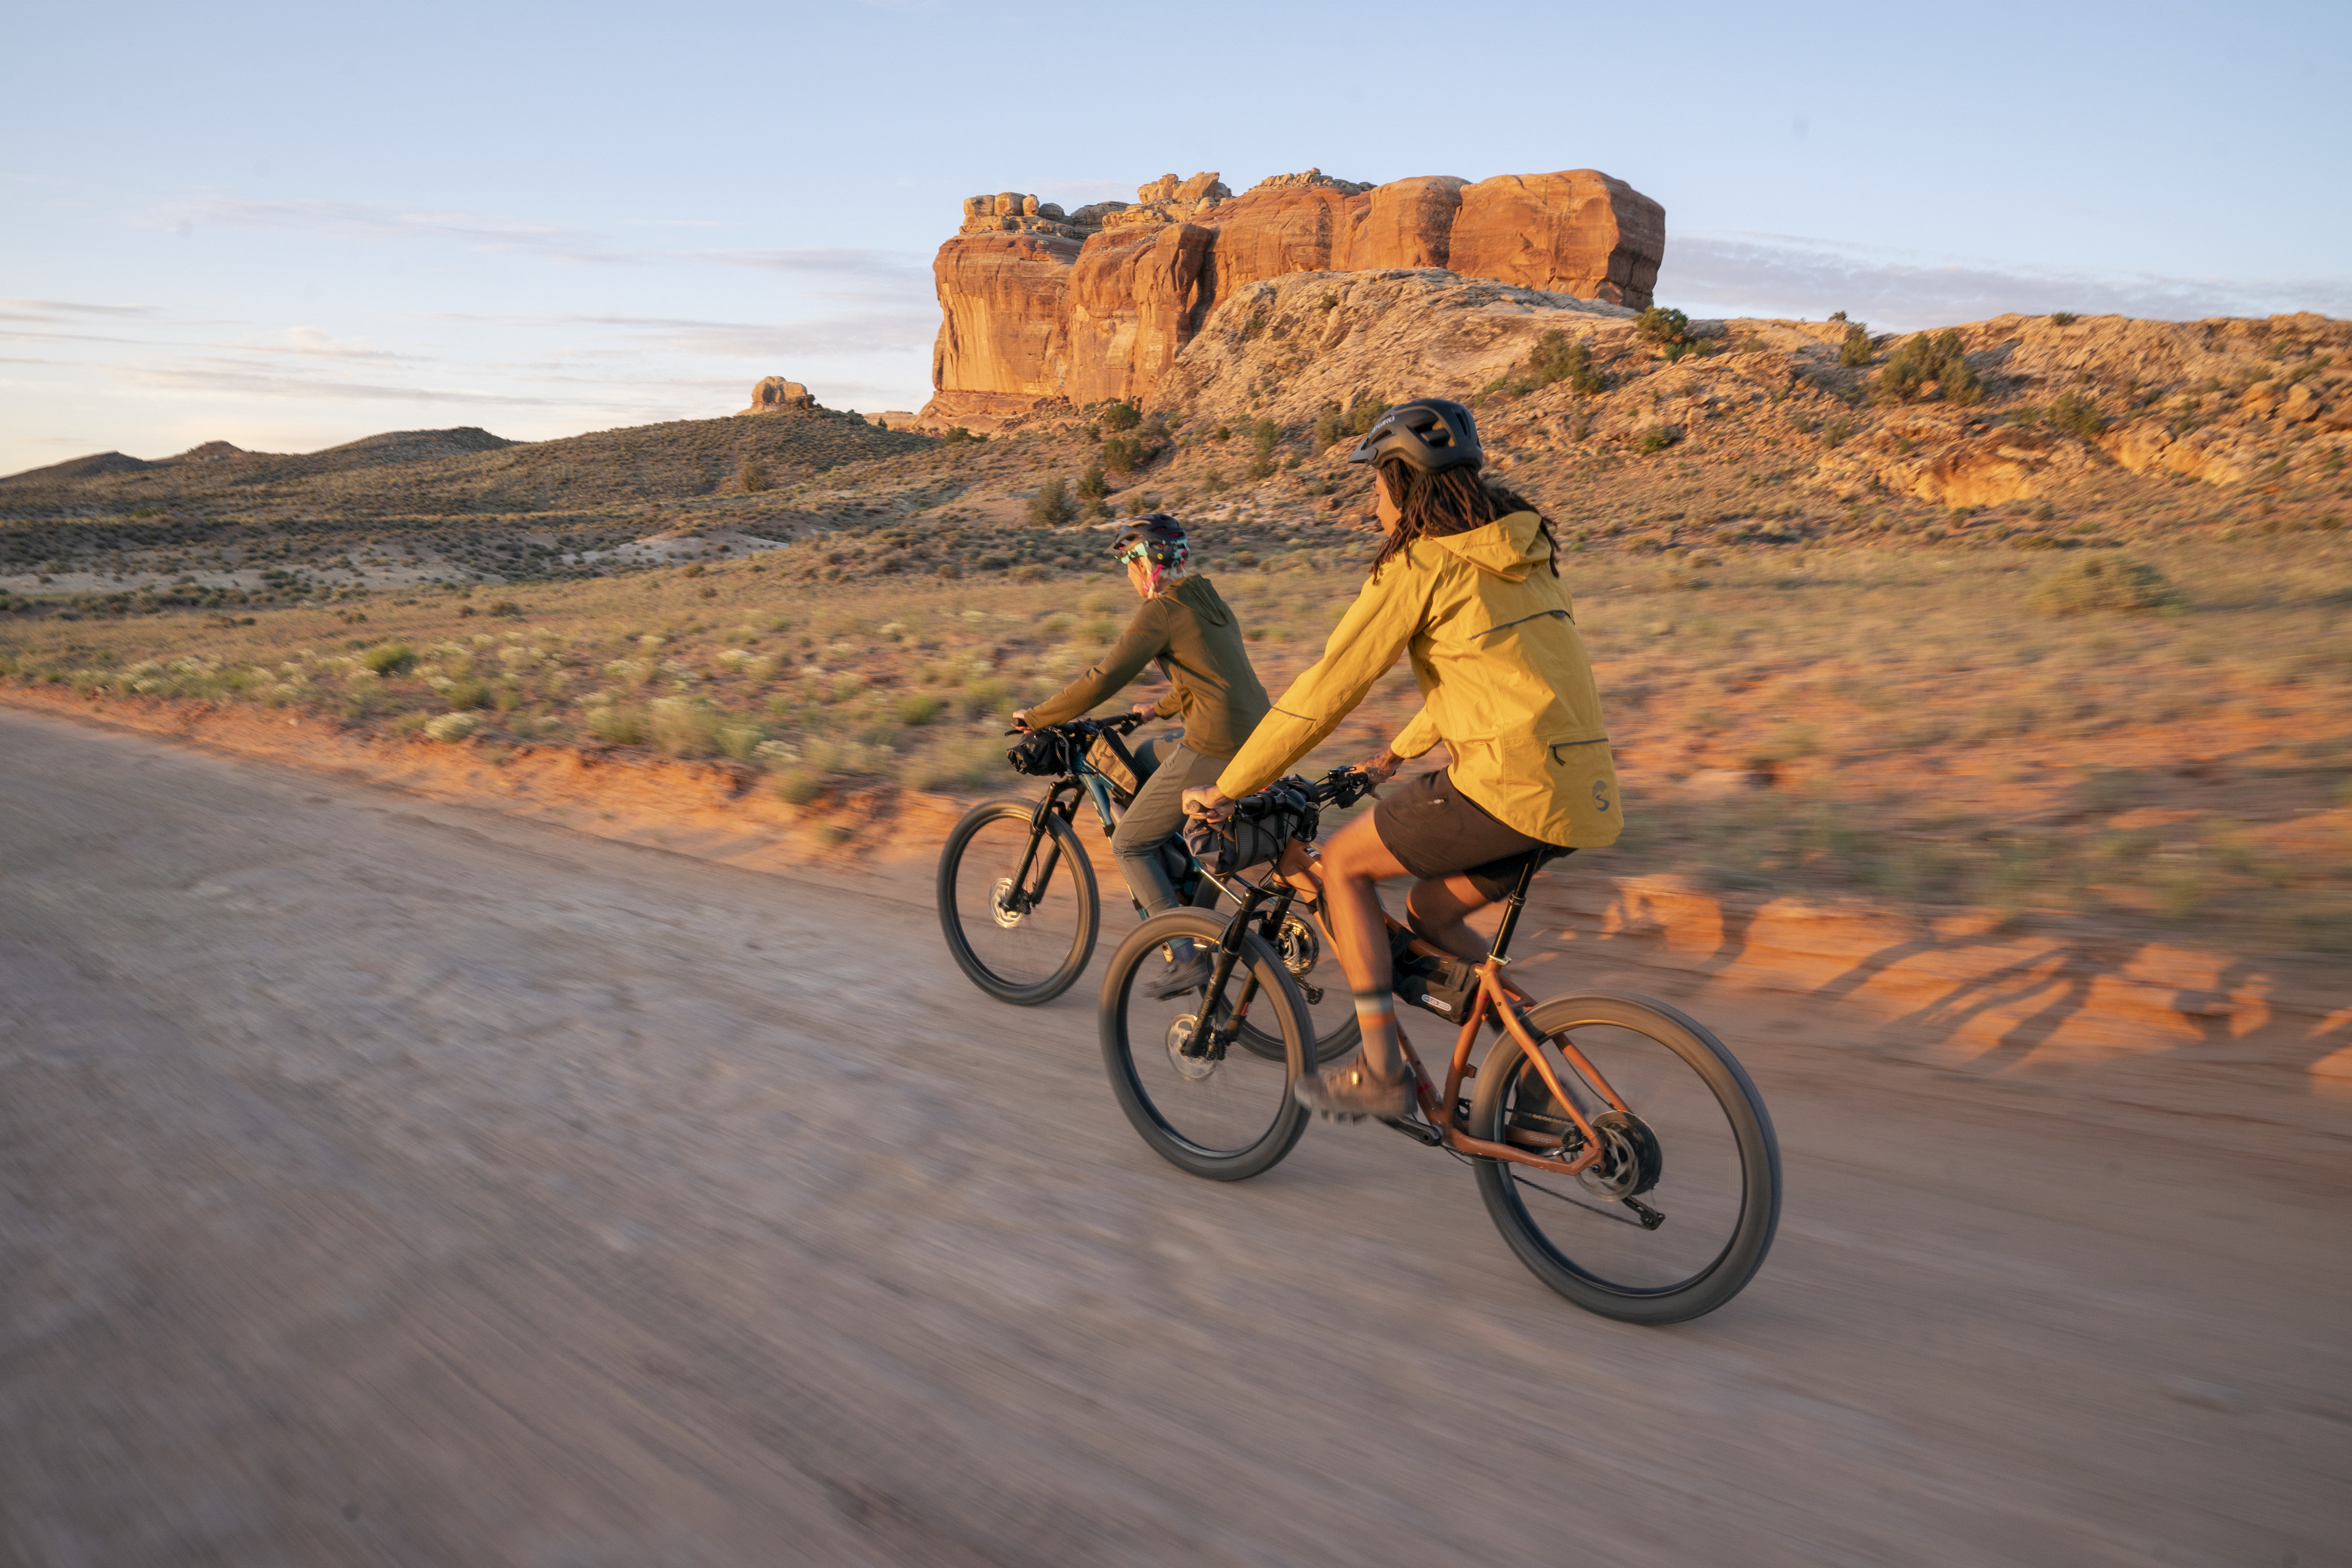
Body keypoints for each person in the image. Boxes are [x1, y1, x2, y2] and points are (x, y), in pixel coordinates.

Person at [1183, 399, 1623, 1118]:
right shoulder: (1521, 554)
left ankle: (1380, 1068)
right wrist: (1396, 752)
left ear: (1404, 484)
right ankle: (1545, 1089)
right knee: (1430, 914)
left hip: (1504, 786)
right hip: (1579, 790)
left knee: (1346, 869)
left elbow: (1325, 691)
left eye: (1376, 484)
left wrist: (1229, 786)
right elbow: (1492, 680)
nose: (1371, 501)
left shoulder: (1422, 563)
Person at [1014, 515, 1270, 992]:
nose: (1129, 577)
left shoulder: (1162, 611)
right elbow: (1212, 673)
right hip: (1259, 732)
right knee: (1147, 756)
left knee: (1128, 842)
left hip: (1218, 743)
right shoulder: (1206, 596)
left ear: (1145, 563)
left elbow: (1104, 677)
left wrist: (1039, 716)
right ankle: (1183, 870)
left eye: (1129, 566)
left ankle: (1184, 953)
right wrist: (1158, 708)